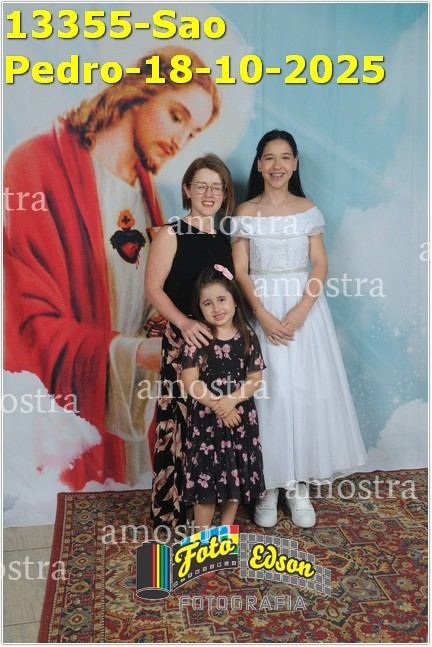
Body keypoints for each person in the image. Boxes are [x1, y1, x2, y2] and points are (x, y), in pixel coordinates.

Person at [4, 46, 220, 491]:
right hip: (78, 421)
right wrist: (135, 353)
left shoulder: (149, 195)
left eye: (193, 133)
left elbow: (146, 297)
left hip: (133, 410)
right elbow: (30, 324)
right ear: (139, 92)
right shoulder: (37, 164)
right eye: (177, 116)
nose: (181, 140)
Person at [232, 129, 367, 528]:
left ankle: (298, 485)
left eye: (285, 157)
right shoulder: (245, 212)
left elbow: (320, 264)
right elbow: (240, 269)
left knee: (303, 392)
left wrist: (303, 308)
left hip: (304, 311)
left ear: (295, 164)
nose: (277, 165)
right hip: (261, 307)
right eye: (269, 157)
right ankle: (268, 486)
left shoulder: (308, 209)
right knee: (268, 395)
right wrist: (261, 313)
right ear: (259, 165)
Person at [145, 154, 235, 528]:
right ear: (187, 190)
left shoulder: (226, 240)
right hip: (184, 343)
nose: (209, 193)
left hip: (221, 347)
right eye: (201, 186)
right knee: (181, 425)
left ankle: (211, 507)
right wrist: (183, 323)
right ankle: (174, 508)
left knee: (215, 426)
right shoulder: (171, 234)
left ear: (224, 193)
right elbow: (153, 288)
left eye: (216, 187)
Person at [180, 266, 266, 531]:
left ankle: (225, 533)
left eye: (221, 299)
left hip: (240, 420)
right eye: (207, 303)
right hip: (207, 423)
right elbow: (190, 382)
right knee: (206, 484)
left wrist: (231, 402)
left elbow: (255, 379)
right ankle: (202, 536)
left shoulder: (247, 336)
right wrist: (220, 407)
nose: (216, 308)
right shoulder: (198, 340)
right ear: (199, 308)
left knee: (233, 481)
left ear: (234, 301)